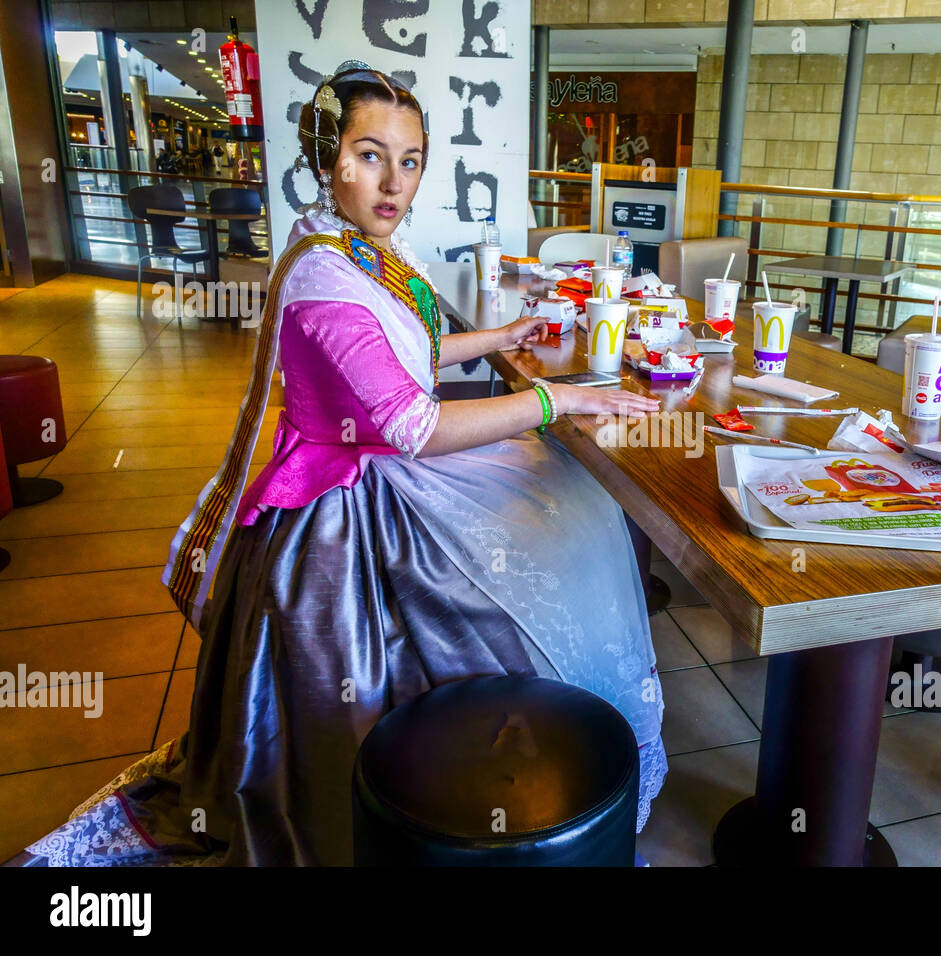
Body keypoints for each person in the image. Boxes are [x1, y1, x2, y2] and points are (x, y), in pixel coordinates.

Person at [22, 63, 667, 866]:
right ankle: (451, 790)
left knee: (566, 510)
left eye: (409, 159)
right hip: (350, 505)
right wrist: (557, 403)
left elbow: (409, 356)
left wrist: (500, 341)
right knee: (547, 547)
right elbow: (409, 422)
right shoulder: (326, 273)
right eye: (369, 154)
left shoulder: (356, 248)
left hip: (383, 469)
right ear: (329, 157)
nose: (393, 181)